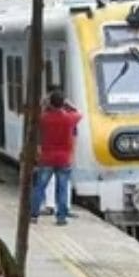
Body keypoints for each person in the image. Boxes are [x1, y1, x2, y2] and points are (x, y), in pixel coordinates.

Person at [31, 89, 82, 225]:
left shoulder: (44, 118)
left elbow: (36, 117)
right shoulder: (70, 118)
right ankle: (61, 218)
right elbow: (79, 113)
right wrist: (68, 104)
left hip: (47, 158)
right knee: (62, 188)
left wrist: (44, 104)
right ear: (62, 103)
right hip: (64, 159)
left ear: (50, 103)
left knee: (40, 187)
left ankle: (33, 215)